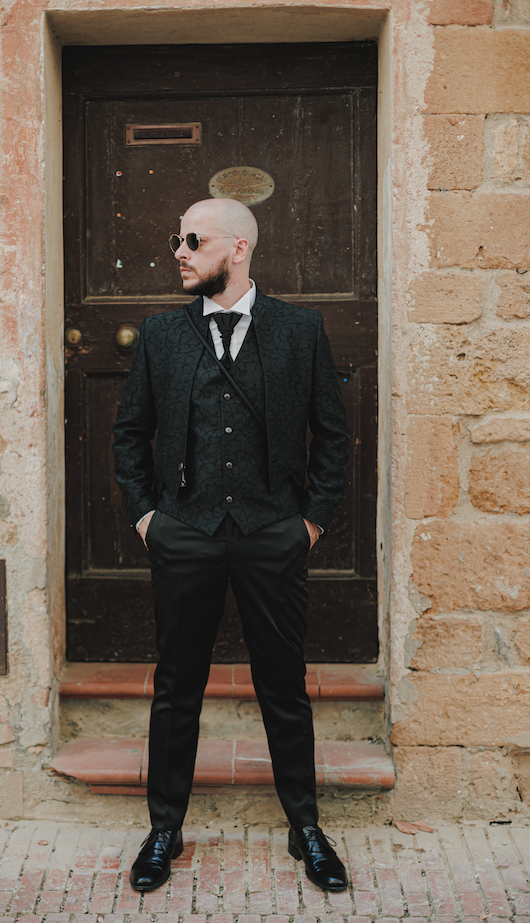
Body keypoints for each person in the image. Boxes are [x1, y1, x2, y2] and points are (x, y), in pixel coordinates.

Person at [112, 197, 350, 894]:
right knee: (176, 686)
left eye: (193, 239)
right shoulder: (161, 334)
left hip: (272, 532)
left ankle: (305, 826)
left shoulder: (300, 330)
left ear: (237, 248)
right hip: (183, 533)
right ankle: (164, 828)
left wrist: (311, 521)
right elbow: (130, 435)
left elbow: (331, 435)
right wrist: (146, 517)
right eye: (176, 238)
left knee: (284, 685)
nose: (179, 251)